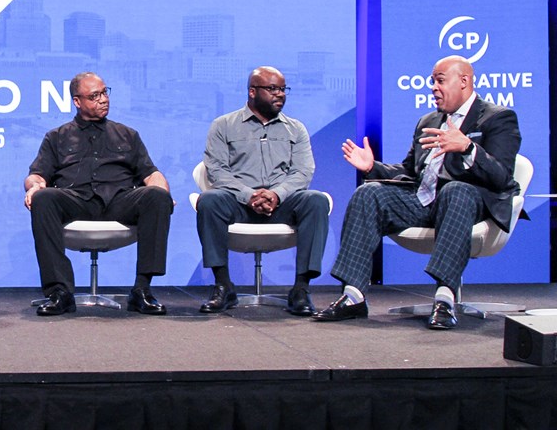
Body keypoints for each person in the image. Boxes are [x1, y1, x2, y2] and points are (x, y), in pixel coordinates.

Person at [314, 55, 521, 330]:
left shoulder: (497, 118)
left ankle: (445, 299)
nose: (433, 87)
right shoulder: (429, 120)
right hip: (424, 201)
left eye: (440, 81)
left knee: (456, 191)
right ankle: (353, 296)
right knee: (369, 193)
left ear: (464, 81)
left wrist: (469, 148)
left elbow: (502, 176)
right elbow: (411, 172)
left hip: (469, 204)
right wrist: (372, 167)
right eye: (432, 81)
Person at [25, 72, 175, 316]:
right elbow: (37, 174)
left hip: (119, 201)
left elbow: (151, 173)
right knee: (43, 198)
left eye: (105, 92)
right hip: (76, 200)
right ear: (77, 101)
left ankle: (142, 290)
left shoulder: (128, 134)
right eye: (95, 96)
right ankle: (60, 292)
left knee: (157, 196)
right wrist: (34, 186)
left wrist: (162, 190)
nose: (103, 99)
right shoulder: (56, 137)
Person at [195, 66, 330, 316]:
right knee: (209, 200)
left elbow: (303, 172)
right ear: (252, 92)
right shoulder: (223, 125)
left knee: (316, 200)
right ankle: (223, 285)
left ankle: (301, 289)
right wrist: (249, 195)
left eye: (282, 89)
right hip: (238, 203)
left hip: (282, 204)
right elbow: (217, 170)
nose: (280, 94)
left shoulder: (296, 129)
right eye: (272, 89)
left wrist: (276, 194)